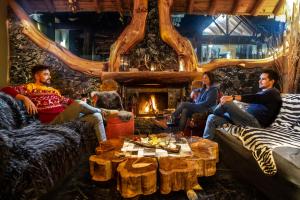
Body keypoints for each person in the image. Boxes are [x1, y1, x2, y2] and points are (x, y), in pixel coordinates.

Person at [1, 65, 106, 143]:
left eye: (49, 74)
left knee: (96, 117)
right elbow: (5, 89)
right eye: (46, 74)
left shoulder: (54, 90)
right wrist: (24, 98)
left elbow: (69, 102)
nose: (49, 77)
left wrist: (82, 104)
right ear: (37, 76)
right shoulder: (30, 87)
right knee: (83, 105)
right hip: (52, 122)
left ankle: (104, 146)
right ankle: (102, 111)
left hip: (64, 117)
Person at [203, 69, 282, 140]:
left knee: (227, 102)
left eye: (263, 79)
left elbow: (254, 97)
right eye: (260, 79)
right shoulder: (263, 92)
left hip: (255, 123)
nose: (260, 81)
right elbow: (254, 100)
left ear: (272, 81)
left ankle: (213, 110)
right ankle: (205, 146)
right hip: (245, 119)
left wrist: (233, 97)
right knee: (212, 118)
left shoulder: (273, 93)